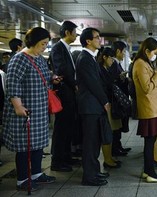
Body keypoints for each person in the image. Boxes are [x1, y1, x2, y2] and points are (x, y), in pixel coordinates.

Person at [2, 27, 57, 191]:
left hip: (39, 110)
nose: (44, 47)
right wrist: (18, 106)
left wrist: (53, 77)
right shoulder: (19, 59)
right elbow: (12, 83)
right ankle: (22, 179)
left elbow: (45, 76)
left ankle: (36, 174)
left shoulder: (39, 58)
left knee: (38, 144)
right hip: (25, 111)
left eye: (46, 44)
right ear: (32, 42)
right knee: (24, 146)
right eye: (42, 44)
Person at [132, 37, 157, 183]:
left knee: (151, 140)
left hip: (152, 106)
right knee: (149, 141)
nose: (154, 55)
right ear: (146, 50)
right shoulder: (140, 64)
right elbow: (147, 88)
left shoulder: (145, 62)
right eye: (154, 52)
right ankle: (150, 172)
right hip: (149, 107)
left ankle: (148, 171)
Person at [76, 27, 109, 186]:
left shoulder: (90, 58)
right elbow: (93, 84)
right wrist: (105, 101)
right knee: (90, 143)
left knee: (95, 141)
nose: (99, 39)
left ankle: (95, 171)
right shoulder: (85, 58)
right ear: (88, 41)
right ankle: (89, 176)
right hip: (89, 107)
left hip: (93, 107)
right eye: (96, 37)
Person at [49, 20, 79, 172]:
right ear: (67, 32)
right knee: (61, 128)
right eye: (74, 32)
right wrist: (74, 84)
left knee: (68, 127)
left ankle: (66, 156)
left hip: (69, 93)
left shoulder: (66, 48)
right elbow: (62, 69)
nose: (76, 35)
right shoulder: (57, 48)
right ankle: (57, 161)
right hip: (64, 92)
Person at [97, 47, 123, 169]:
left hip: (110, 102)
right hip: (105, 103)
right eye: (111, 58)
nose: (112, 61)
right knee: (107, 132)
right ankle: (107, 159)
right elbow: (104, 86)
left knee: (110, 130)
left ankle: (110, 157)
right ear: (104, 57)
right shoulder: (100, 70)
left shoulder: (106, 69)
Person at [109, 41, 132, 157]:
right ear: (118, 51)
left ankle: (118, 146)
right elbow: (112, 81)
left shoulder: (117, 63)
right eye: (123, 52)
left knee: (119, 125)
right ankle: (115, 148)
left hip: (119, 99)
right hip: (116, 100)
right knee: (116, 125)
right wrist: (122, 78)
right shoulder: (113, 64)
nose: (124, 54)